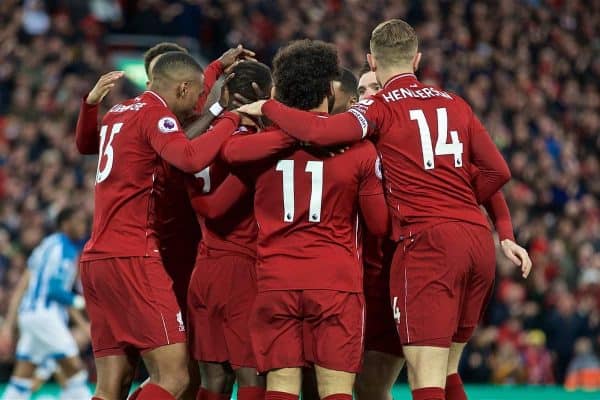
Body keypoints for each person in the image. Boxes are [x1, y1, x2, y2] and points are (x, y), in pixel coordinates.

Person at [237, 20, 532, 400]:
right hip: (474, 242)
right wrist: (498, 228)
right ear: (418, 59)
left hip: (423, 248)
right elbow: (495, 171)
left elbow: (320, 133)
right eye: (359, 91)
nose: (365, 95)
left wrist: (269, 108)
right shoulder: (454, 102)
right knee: (442, 370)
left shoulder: (376, 112)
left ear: (372, 61)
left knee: (423, 375)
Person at [74, 43, 252, 400]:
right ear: (183, 89)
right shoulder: (157, 115)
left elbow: (85, 144)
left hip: (97, 260)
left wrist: (90, 105)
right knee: (175, 376)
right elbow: (188, 156)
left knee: (111, 385)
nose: (198, 103)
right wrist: (231, 117)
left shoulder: (121, 111)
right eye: (197, 94)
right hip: (134, 256)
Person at [222, 39, 389, 400]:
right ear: (330, 88)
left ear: (279, 90)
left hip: (276, 280)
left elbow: (229, 161)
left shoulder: (258, 146)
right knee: (336, 389)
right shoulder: (358, 149)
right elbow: (378, 225)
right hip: (335, 283)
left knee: (281, 386)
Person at [186, 60, 273, 400]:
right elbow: (218, 206)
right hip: (242, 271)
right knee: (251, 377)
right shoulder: (255, 144)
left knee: (212, 380)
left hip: (204, 267)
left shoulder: (202, 136)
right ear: (259, 95)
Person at [0, 208, 92, 400]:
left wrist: (9, 324)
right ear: (65, 224)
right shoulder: (66, 249)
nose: (82, 226)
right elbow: (55, 290)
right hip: (45, 317)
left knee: (22, 379)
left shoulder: (45, 246)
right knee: (75, 371)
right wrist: (81, 302)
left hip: (29, 315)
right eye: (78, 221)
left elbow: (23, 286)